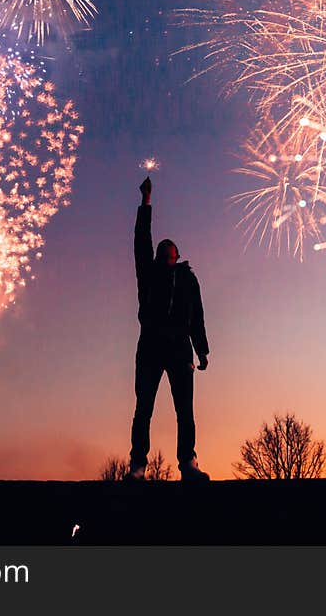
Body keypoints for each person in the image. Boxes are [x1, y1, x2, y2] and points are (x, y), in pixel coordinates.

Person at [127, 175, 210, 482]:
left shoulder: (188, 280)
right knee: (143, 408)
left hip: (178, 349)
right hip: (150, 347)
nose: (165, 255)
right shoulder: (148, 274)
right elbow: (141, 240)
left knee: (184, 411)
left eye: (169, 253)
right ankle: (138, 465)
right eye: (161, 252)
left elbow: (197, 316)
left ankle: (188, 462)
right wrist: (146, 202)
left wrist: (201, 349)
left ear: (177, 256)